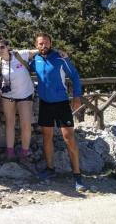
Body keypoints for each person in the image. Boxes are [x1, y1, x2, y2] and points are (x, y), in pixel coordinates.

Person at [29, 33, 87, 192]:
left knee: (69, 137)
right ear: (36, 45)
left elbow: (74, 76)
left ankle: (77, 175)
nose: (43, 46)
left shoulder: (61, 58)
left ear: (51, 43)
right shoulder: (35, 60)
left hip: (61, 103)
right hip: (45, 103)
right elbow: (21, 65)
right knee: (46, 136)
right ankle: (50, 169)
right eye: (40, 43)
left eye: (46, 43)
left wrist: (77, 96)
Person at [0, 36, 36, 164]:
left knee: (25, 124)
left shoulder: (21, 55)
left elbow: (38, 51)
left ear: (8, 47)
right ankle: (10, 152)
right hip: (8, 96)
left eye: (2, 47)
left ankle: (24, 153)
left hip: (25, 94)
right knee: (9, 123)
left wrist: (59, 53)